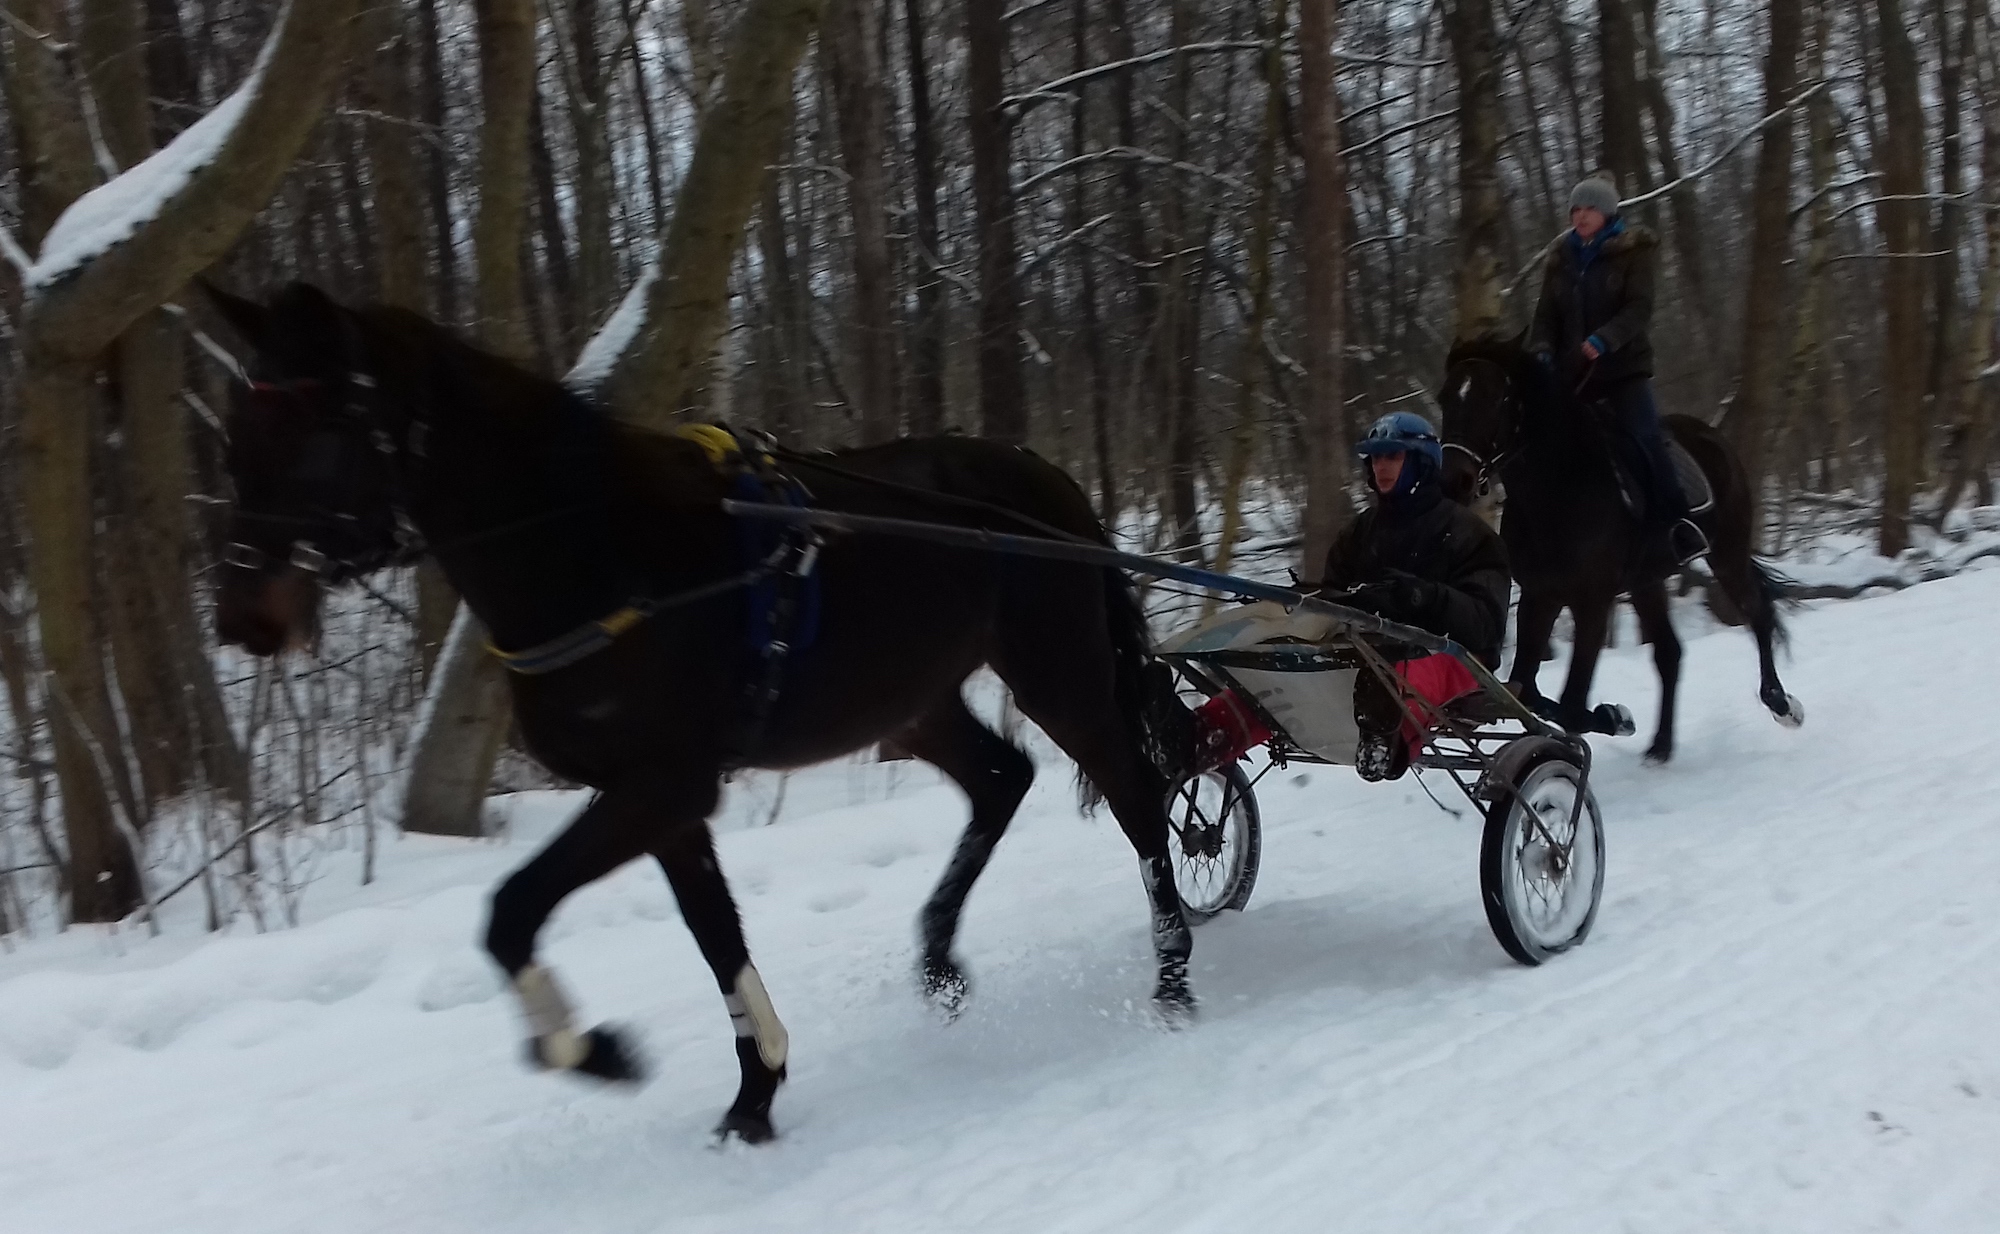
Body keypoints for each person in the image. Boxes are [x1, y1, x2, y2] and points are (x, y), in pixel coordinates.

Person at [1320, 412, 1510, 780]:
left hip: (1452, 658)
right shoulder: (1359, 531)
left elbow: (1487, 624)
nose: (1381, 467)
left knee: (1386, 681)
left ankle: (1388, 743)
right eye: (1376, 458)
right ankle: (1199, 734)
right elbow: (1331, 594)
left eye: (1393, 456)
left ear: (1421, 463)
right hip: (1369, 653)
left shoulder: (1469, 533)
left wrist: (1425, 597)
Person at [1527, 174, 1707, 565]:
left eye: (1589, 208)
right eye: (1575, 209)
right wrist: (1541, 351)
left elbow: (1639, 308)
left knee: (1641, 436)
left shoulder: (1633, 253)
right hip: (1572, 373)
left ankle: (1677, 523)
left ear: (1607, 213)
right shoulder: (1559, 260)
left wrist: (1605, 339)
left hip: (1624, 368)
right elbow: (1544, 318)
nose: (1580, 215)